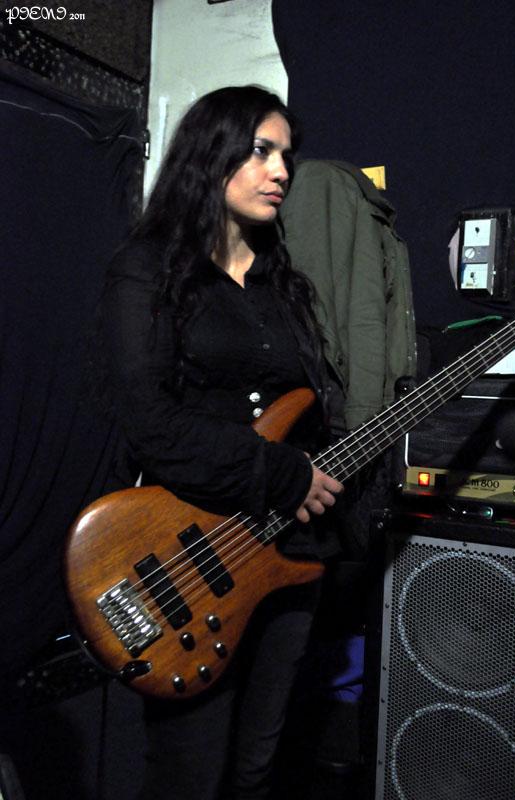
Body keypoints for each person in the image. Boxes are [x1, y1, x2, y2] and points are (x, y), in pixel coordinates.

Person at [101, 85, 344, 800]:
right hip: (192, 556)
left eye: (286, 156)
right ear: (211, 155)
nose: (280, 171)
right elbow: (150, 424)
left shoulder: (283, 285)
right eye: (261, 151)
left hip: (288, 555)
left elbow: (305, 414)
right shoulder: (147, 269)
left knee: (257, 768)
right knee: (189, 774)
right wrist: (281, 473)